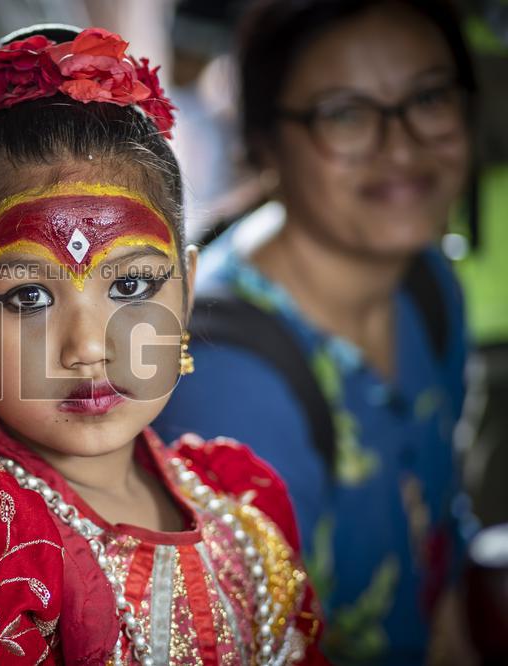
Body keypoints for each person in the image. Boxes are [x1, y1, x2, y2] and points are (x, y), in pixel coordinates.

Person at [0, 26, 325, 665]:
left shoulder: (244, 502)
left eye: (132, 284)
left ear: (186, 293)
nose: (87, 347)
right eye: (28, 297)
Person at [151, 1, 477, 663]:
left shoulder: (427, 285)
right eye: (346, 114)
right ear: (263, 142)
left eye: (429, 97)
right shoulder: (223, 382)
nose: (401, 145)